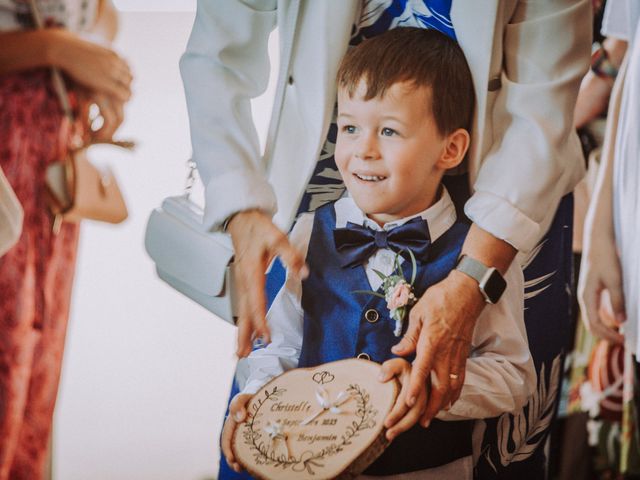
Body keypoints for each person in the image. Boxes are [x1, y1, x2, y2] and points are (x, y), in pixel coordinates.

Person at [180, 1, 590, 476]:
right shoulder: (312, 235)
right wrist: (260, 397)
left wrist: (429, 387)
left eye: (388, 132)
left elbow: (510, 375)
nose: (363, 151)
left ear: (453, 148)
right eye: (349, 128)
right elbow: (280, 345)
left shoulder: (481, 255)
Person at [0, 1, 131, 478]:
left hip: (50, 158)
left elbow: (99, 15)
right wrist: (56, 48)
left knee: (35, 358)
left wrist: (95, 68)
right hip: (6, 145)